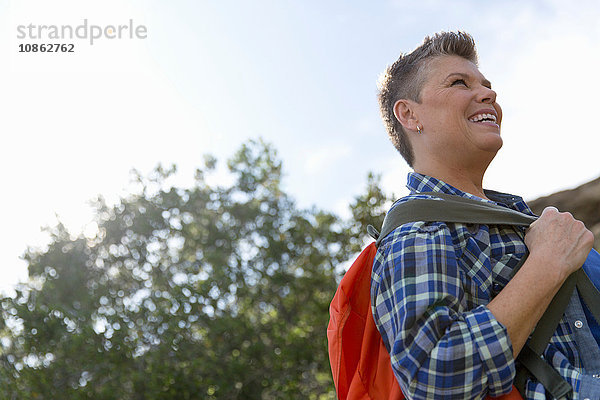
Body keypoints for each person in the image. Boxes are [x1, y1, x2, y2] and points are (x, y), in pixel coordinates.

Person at [372, 31, 598, 399]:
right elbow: (435, 375)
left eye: (487, 85)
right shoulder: (420, 231)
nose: (488, 93)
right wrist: (547, 264)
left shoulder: (509, 218)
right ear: (409, 113)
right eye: (459, 83)